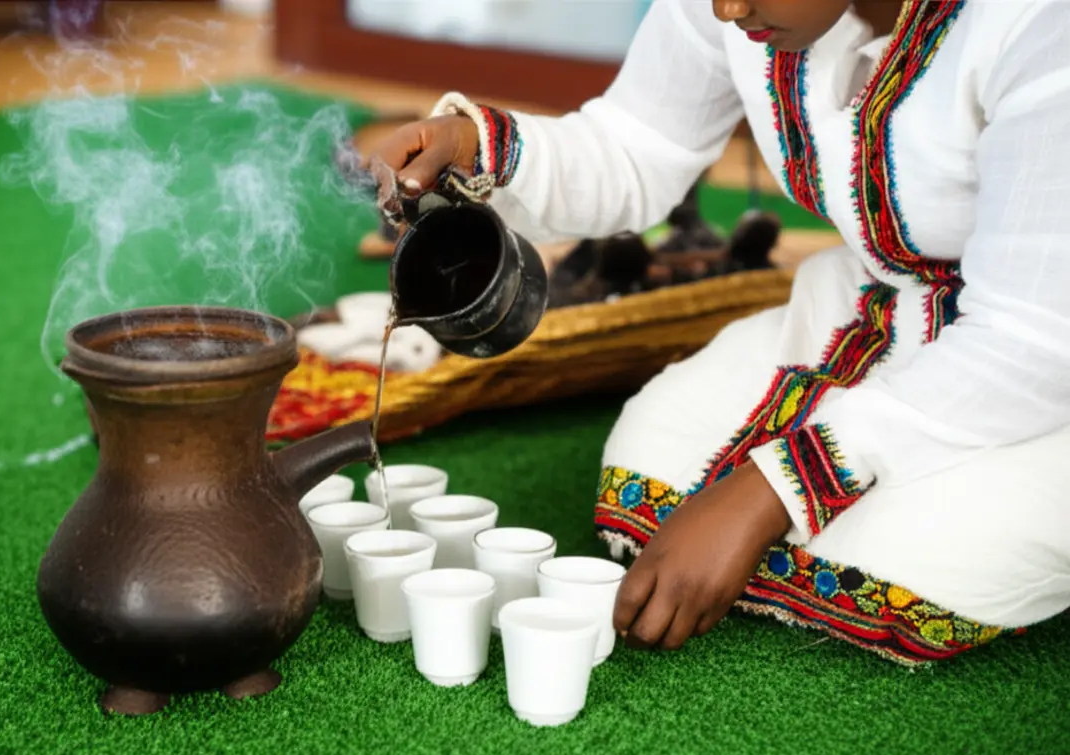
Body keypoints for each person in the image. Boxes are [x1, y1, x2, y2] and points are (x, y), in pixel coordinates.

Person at [368, 0, 1070, 666]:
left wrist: (771, 491)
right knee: (646, 460)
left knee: (932, 561)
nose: (726, 11)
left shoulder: (1037, 28)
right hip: (869, 309)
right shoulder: (732, 7)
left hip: (1030, 370)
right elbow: (638, 145)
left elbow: (1032, 340)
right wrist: (477, 145)